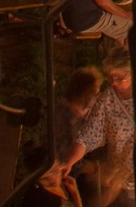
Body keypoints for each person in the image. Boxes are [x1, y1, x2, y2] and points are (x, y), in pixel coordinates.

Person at [66, 53, 136, 206]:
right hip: (125, 182)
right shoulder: (107, 101)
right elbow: (87, 136)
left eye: (119, 78)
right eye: (110, 77)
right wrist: (69, 161)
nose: (114, 82)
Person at [48, 68, 103, 205]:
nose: (98, 95)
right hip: (62, 182)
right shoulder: (63, 116)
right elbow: (61, 156)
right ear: (85, 93)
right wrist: (94, 168)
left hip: (80, 182)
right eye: (95, 92)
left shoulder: (85, 115)